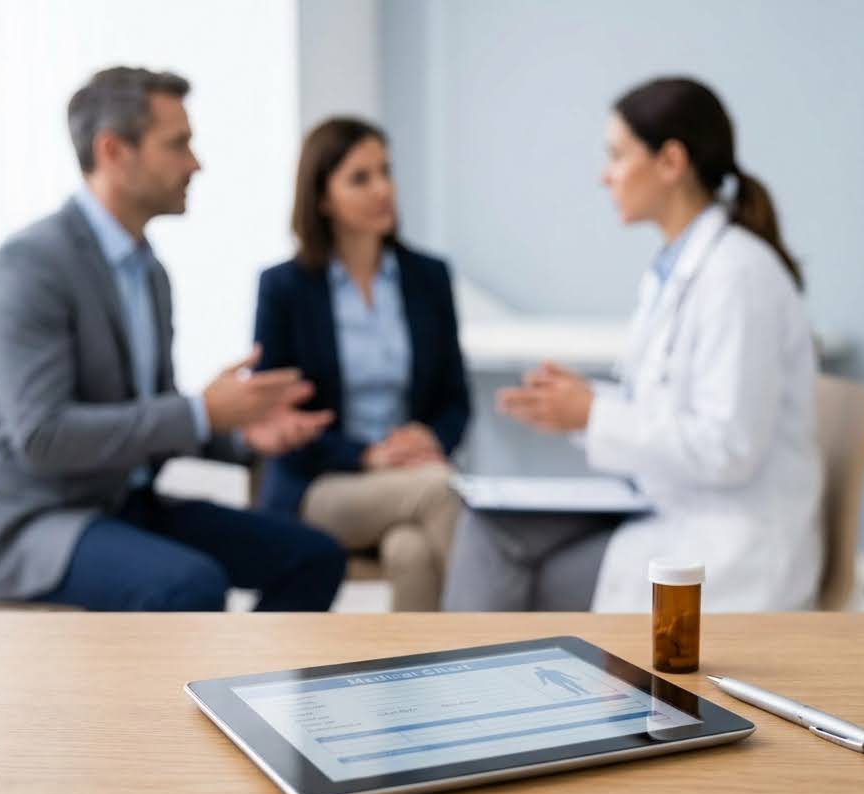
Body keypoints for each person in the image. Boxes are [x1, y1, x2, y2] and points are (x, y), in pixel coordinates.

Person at [0, 67, 346, 611]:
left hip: (117, 504)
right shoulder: (30, 265)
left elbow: (147, 414)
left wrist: (242, 435)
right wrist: (202, 411)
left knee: (314, 556)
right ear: (114, 151)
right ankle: (195, 696)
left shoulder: (147, 271)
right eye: (178, 145)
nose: (196, 163)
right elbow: (42, 437)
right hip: (31, 524)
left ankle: (248, 692)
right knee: (188, 583)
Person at [442, 77, 822, 613]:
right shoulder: (675, 269)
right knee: (487, 526)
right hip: (671, 510)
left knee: (515, 575)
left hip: (730, 547)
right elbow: (668, 406)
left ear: (670, 162)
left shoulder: (737, 275)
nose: (605, 175)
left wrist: (594, 414)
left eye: (617, 155)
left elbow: (728, 448)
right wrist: (583, 406)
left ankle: (459, 693)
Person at [253, 117, 471, 611]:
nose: (383, 190)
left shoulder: (428, 278)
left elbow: (456, 398)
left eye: (386, 172)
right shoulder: (284, 289)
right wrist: (366, 455)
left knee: (410, 552)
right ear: (322, 198)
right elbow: (277, 420)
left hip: (412, 477)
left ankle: (422, 687)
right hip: (324, 483)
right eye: (360, 177)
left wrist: (430, 437)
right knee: (444, 491)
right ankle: (506, 650)